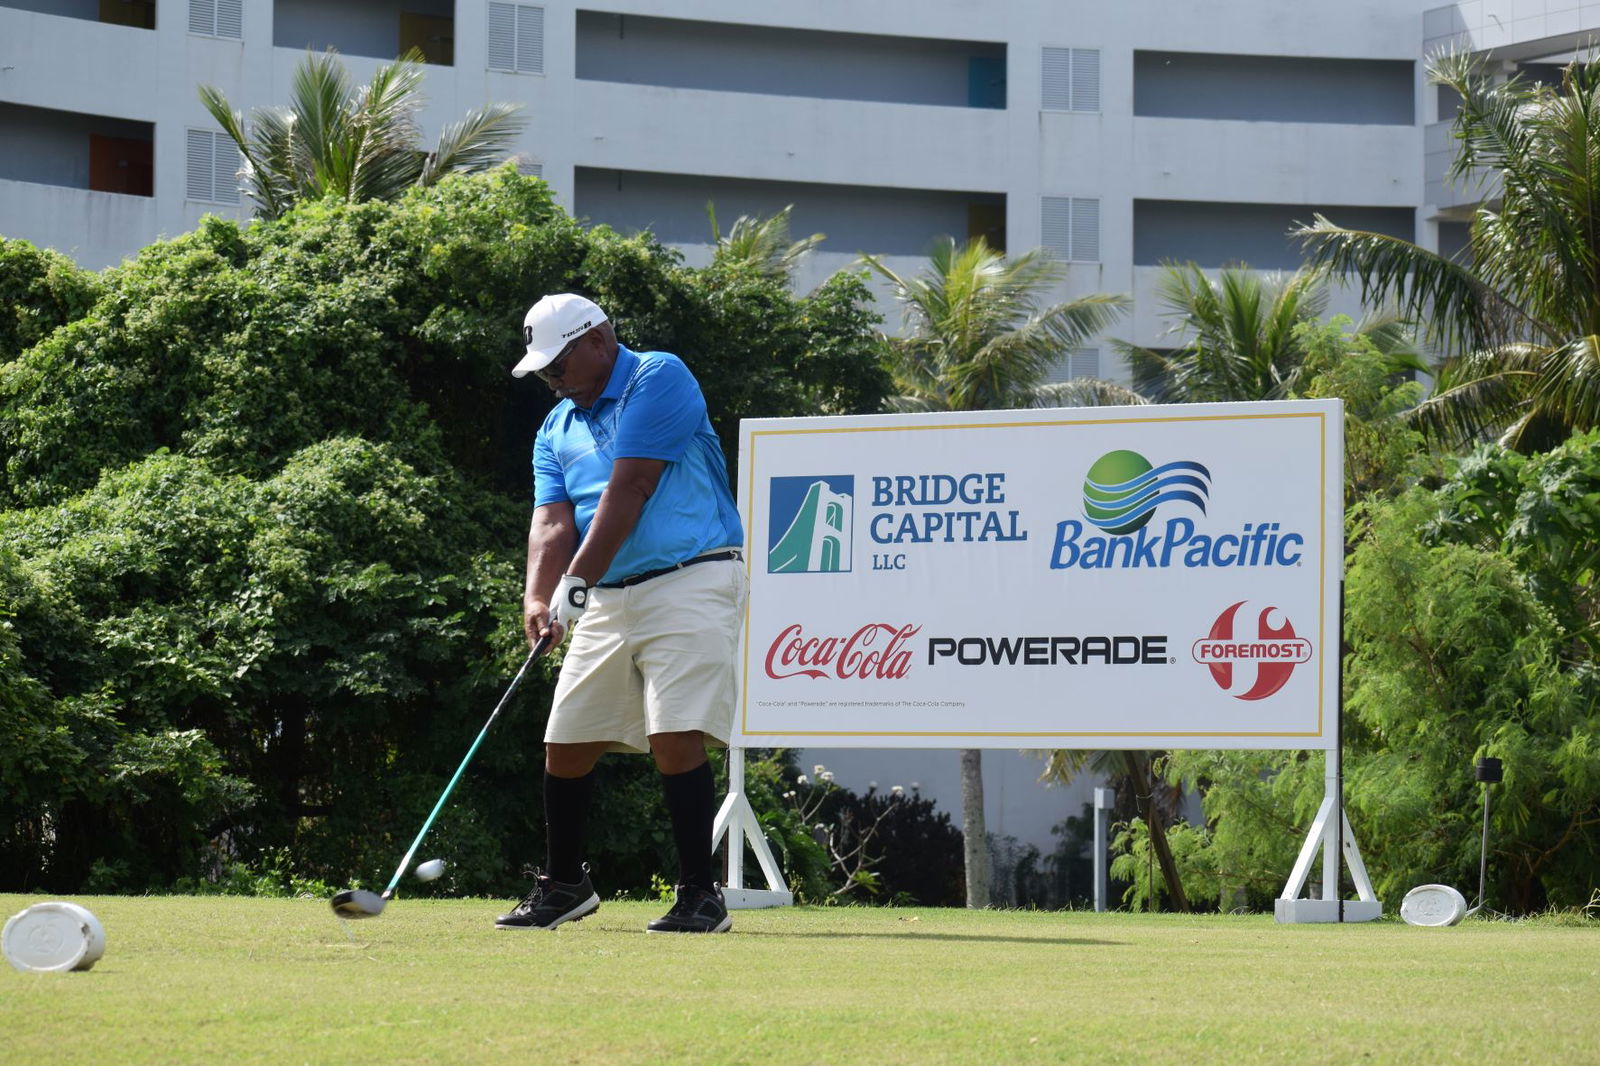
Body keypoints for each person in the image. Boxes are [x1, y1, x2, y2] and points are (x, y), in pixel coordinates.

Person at [499, 293, 747, 934]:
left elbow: (630, 487)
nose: (552, 379)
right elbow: (552, 522)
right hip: (609, 594)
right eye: (545, 369)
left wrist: (575, 584)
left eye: (559, 363)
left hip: (691, 576)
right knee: (566, 742)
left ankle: (700, 893)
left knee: (675, 733)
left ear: (599, 341)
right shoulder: (557, 428)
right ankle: (565, 885)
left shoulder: (657, 376)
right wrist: (538, 596)